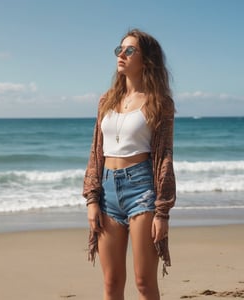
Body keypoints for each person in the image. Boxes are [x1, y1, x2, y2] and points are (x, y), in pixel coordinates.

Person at [83, 28, 176, 300]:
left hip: (142, 190)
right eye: (120, 49)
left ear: (146, 60)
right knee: (111, 283)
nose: (121, 54)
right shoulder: (106, 100)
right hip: (108, 191)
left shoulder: (160, 102)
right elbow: (95, 151)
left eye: (130, 50)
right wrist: (92, 199)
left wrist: (162, 212)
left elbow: (165, 155)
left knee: (144, 282)